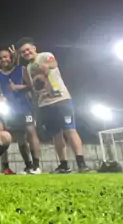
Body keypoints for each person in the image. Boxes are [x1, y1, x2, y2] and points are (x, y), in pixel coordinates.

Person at [16, 38, 90, 173]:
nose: (26, 53)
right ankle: (64, 165)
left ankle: (81, 163)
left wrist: (46, 66)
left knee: (70, 130)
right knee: (56, 134)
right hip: (44, 103)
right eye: (22, 52)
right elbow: (34, 86)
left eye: (27, 49)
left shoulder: (45, 55)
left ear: (34, 48)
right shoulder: (28, 67)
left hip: (61, 99)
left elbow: (53, 63)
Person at [0, 48, 42, 174]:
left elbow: (31, 86)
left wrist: (17, 86)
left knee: (31, 132)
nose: (4, 59)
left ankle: (36, 165)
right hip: (10, 110)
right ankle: (28, 165)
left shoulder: (21, 69)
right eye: (1, 58)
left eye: (6, 56)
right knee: (20, 138)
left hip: (24, 107)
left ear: (10, 58)